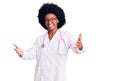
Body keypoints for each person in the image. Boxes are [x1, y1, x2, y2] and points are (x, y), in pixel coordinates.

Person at [13, 3, 84, 81]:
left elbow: (77, 49)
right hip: (41, 78)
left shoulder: (66, 36)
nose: (49, 22)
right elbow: (31, 54)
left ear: (58, 20)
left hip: (58, 77)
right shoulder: (40, 39)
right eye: (46, 20)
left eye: (52, 19)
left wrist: (80, 46)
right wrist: (22, 53)